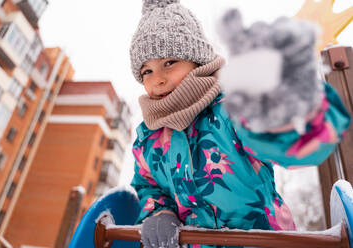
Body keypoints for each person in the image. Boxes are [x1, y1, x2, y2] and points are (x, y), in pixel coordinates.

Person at [129, 1, 351, 248]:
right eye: (146, 71)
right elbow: (148, 185)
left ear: (198, 61)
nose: (157, 79)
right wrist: (160, 213)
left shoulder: (232, 111)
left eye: (169, 63)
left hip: (261, 242)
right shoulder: (148, 138)